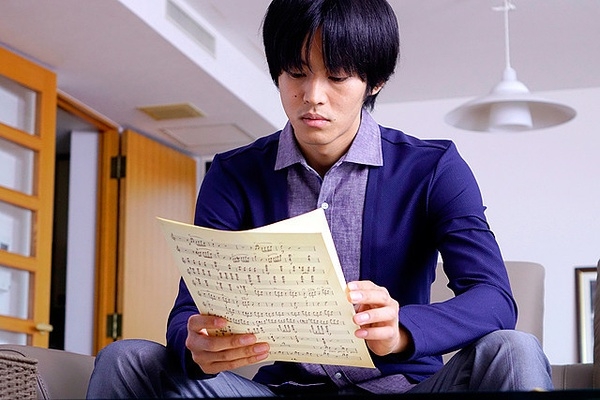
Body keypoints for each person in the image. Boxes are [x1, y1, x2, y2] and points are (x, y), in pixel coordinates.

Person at [87, 0, 552, 397]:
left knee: (514, 349)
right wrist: (196, 346)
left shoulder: (433, 167)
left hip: (405, 387)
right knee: (126, 359)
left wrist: (402, 330)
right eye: (296, 73)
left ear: (374, 81)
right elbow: (189, 310)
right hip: (284, 388)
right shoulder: (233, 173)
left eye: (338, 77)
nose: (313, 96)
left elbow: (493, 298)